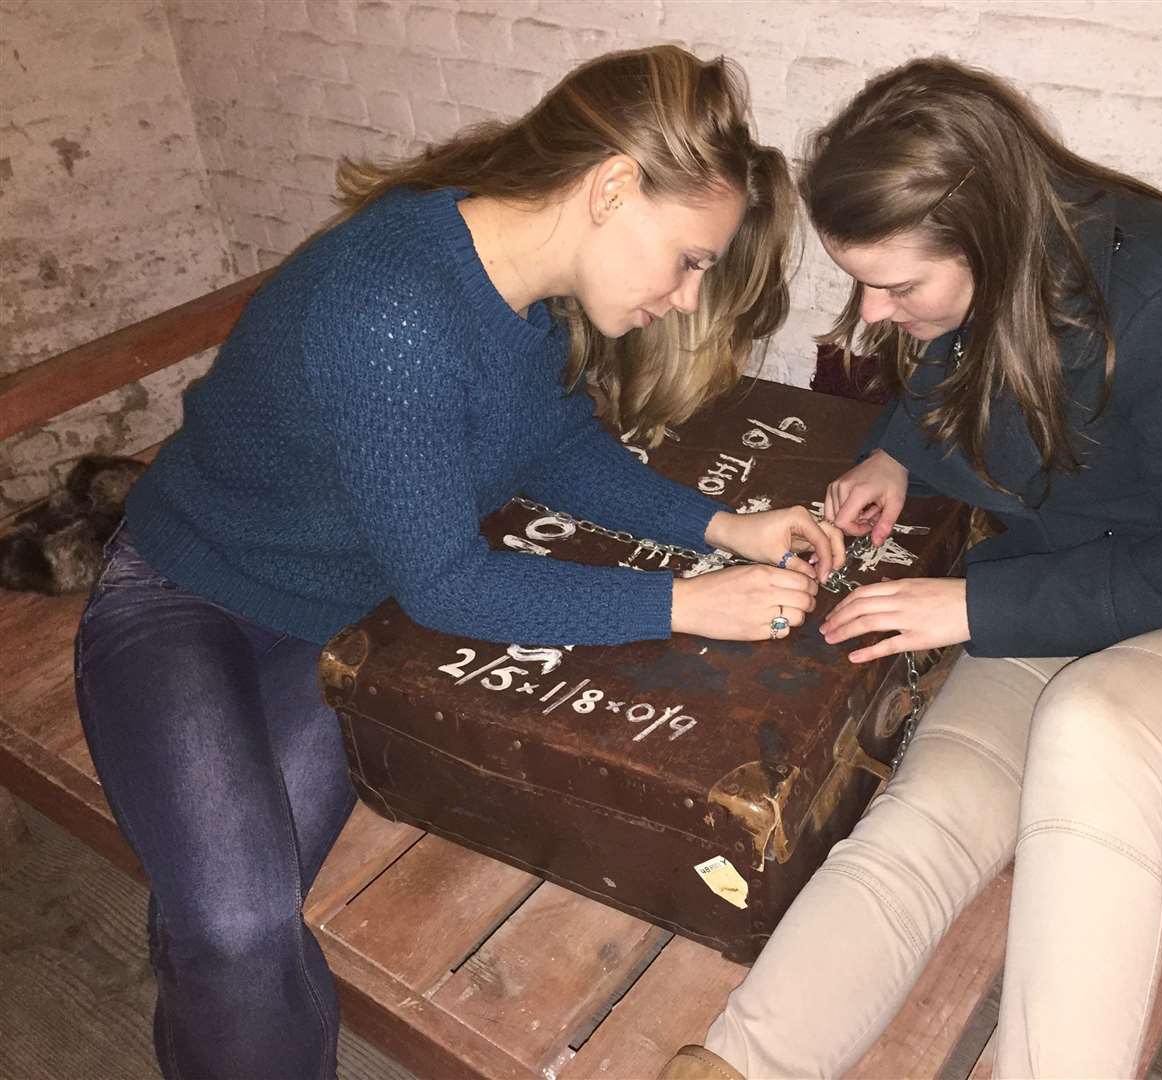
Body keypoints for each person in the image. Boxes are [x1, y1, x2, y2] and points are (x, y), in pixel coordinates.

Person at [75, 45, 845, 1079]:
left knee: (226, 924)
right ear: (613, 187)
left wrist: (718, 526)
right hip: (184, 598)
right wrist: (688, 603)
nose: (690, 298)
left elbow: (557, 450)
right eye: (692, 259)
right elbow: (449, 583)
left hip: (337, 623)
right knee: (240, 929)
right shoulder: (396, 309)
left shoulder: (533, 299)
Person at [661, 57, 1162, 1080]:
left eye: (897, 282)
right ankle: (740, 1065)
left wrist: (973, 602)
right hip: (1072, 606)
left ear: (989, 234)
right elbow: (951, 353)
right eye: (860, 278)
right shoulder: (999, 272)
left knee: (1096, 725)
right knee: (931, 812)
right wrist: (896, 451)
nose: (872, 312)